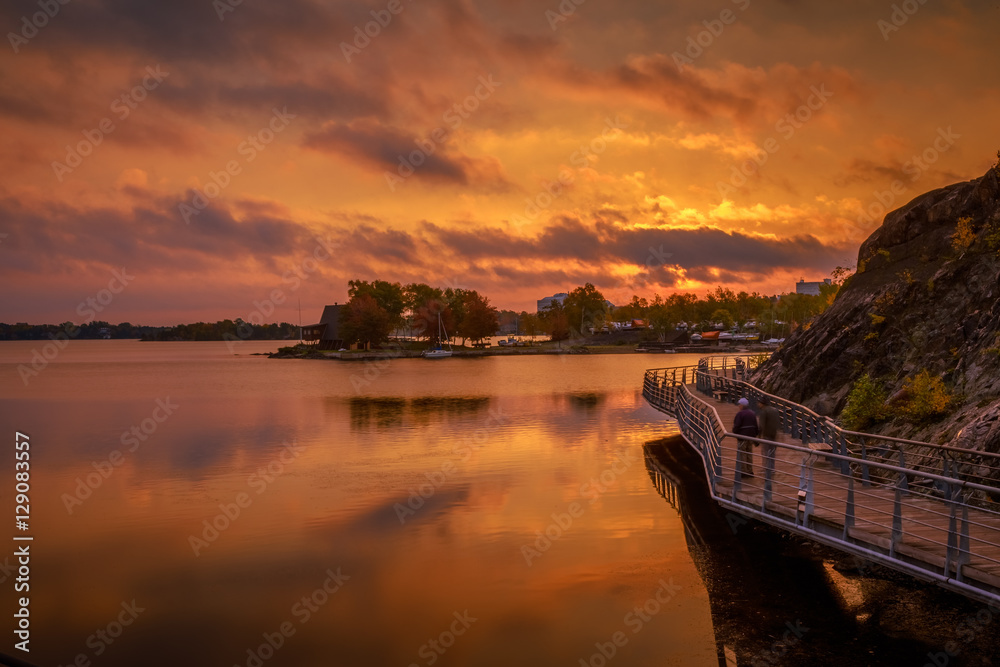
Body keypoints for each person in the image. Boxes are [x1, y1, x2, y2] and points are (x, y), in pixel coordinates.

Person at [733, 397, 759, 478]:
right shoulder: (752, 413)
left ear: (742, 405)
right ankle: (750, 471)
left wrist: (735, 432)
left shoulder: (740, 414)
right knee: (749, 453)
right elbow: (756, 426)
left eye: (739, 404)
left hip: (742, 436)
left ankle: (743, 471)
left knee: (742, 453)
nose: (739, 406)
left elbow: (736, 426)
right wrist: (755, 434)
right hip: (751, 436)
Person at [757, 396, 780, 478]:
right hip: (774, 434)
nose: (758, 404)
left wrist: (758, 436)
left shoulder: (764, 411)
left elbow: (761, 425)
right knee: (772, 453)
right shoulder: (775, 410)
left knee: (766, 452)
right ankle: (772, 468)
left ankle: (766, 469)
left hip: (766, 435)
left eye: (759, 402)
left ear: (762, 403)